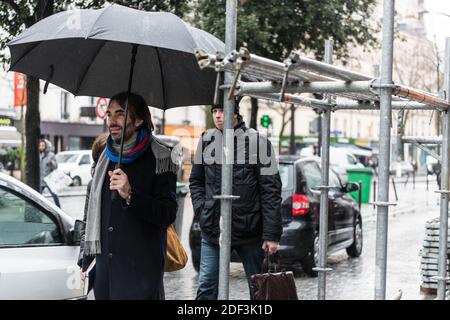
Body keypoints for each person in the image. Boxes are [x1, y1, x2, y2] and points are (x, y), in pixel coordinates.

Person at [81, 92, 178, 300]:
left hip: (140, 273)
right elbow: (91, 214)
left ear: (139, 119)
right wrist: (85, 260)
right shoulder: (104, 158)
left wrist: (130, 194)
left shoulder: (162, 157)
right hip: (106, 275)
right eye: (109, 114)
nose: (112, 121)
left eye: (120, 114)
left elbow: (167, 214)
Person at [189, 99, 282, 300]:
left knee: (259, 289)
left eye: (222, 110)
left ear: (236, 113)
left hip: (250, 232)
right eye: (214, 110)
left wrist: (271, 234)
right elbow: (196, 181)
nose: (217, 115)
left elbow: (271, 190)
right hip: (214, 231)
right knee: (206, 288)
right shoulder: (206, 140)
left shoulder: (260, 142)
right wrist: (201, 209)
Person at [39, 139, 61, 208]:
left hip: (49, 179)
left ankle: (59, 209)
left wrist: (51, 162)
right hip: (41, 179)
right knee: (38, 195)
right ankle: (38, 208)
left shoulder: (51, 155)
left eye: (43, 145)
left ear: (46, 146)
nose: (41, 147)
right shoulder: (38, 155)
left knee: (54, 195)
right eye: (40, 146)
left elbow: (56, 167)